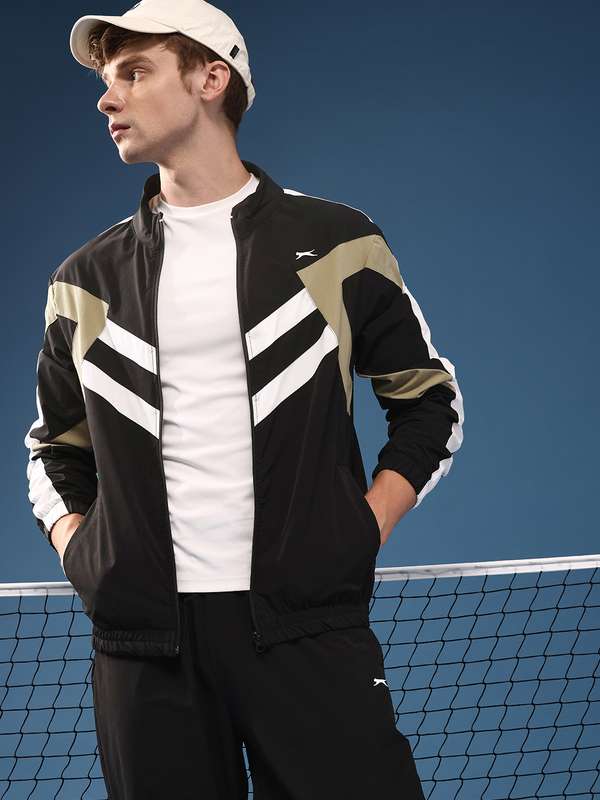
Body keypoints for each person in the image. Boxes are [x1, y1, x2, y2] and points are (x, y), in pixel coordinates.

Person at [24, 0, 464, 796]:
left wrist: (360, 529)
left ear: (210, 78)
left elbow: (429, 401)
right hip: (144, 646)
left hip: (306, 626)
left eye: (134, 72)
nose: (107, 97)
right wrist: (87, 554)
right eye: (106, 78)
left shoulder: (338, 244)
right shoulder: (83, 281)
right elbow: (53, 448)